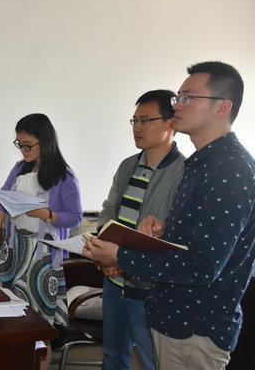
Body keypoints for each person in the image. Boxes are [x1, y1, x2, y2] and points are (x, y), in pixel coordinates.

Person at [84, 61, 255, 370]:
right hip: (172, 314)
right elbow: (197, 240)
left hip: (194, 325)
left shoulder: (230, 169)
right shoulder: (202, 165)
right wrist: (164, 229)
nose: (178, 105)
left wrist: (120, 257)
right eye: (178, 97)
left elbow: (204, 265)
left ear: (222, 107)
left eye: (188, 97)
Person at [0, 113, 82, 369]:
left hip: (43, 257)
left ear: (44, 141)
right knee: (9, 318)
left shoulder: (64, 175)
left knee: (39, 326)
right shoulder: (19, 168)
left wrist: (46, 214)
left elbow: (75, 216)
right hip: (15, 250)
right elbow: (1, 200)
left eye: (28, 145)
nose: (23, 150)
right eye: (19, 144)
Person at [97, 90, 185, 370]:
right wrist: (105, 254)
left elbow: (178, 235)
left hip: (149, 287)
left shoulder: (185, 172)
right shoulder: (128, 166)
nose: (137, 127)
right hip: (114, 281)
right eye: (134, 120)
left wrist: (123, 259)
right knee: (113, 355)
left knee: (152, 361)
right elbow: (108, 213)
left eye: (146, 120)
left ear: (171, 123)